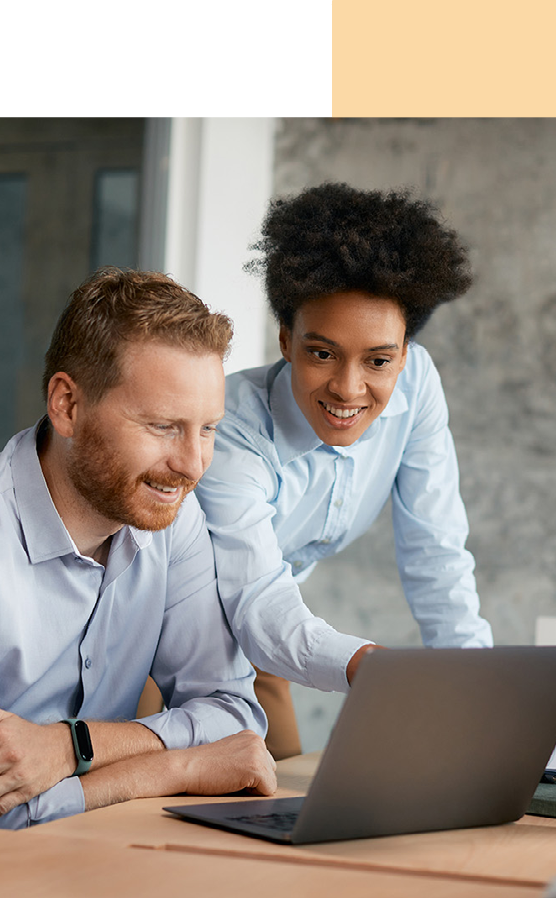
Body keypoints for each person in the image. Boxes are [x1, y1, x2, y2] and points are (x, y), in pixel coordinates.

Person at [0, 268, 275, 858]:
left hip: (95, 865)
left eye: (208, 430)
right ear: (67, 404)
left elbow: (234, 715)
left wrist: (71, 747)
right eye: (163, 427)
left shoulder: (173, 517)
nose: (193, 464)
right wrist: (174, 769)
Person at [194, 182, 493, 758]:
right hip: (168, 643)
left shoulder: (417, 386)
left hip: (271, 638)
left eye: (379, 360)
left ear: (404, 354)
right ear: (286, 339)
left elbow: (437, 551)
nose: (349, 388)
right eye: (322, 353)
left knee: (280, 804)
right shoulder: (230, 428)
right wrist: (368, 666)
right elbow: (254, 598)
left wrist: (477, 687)